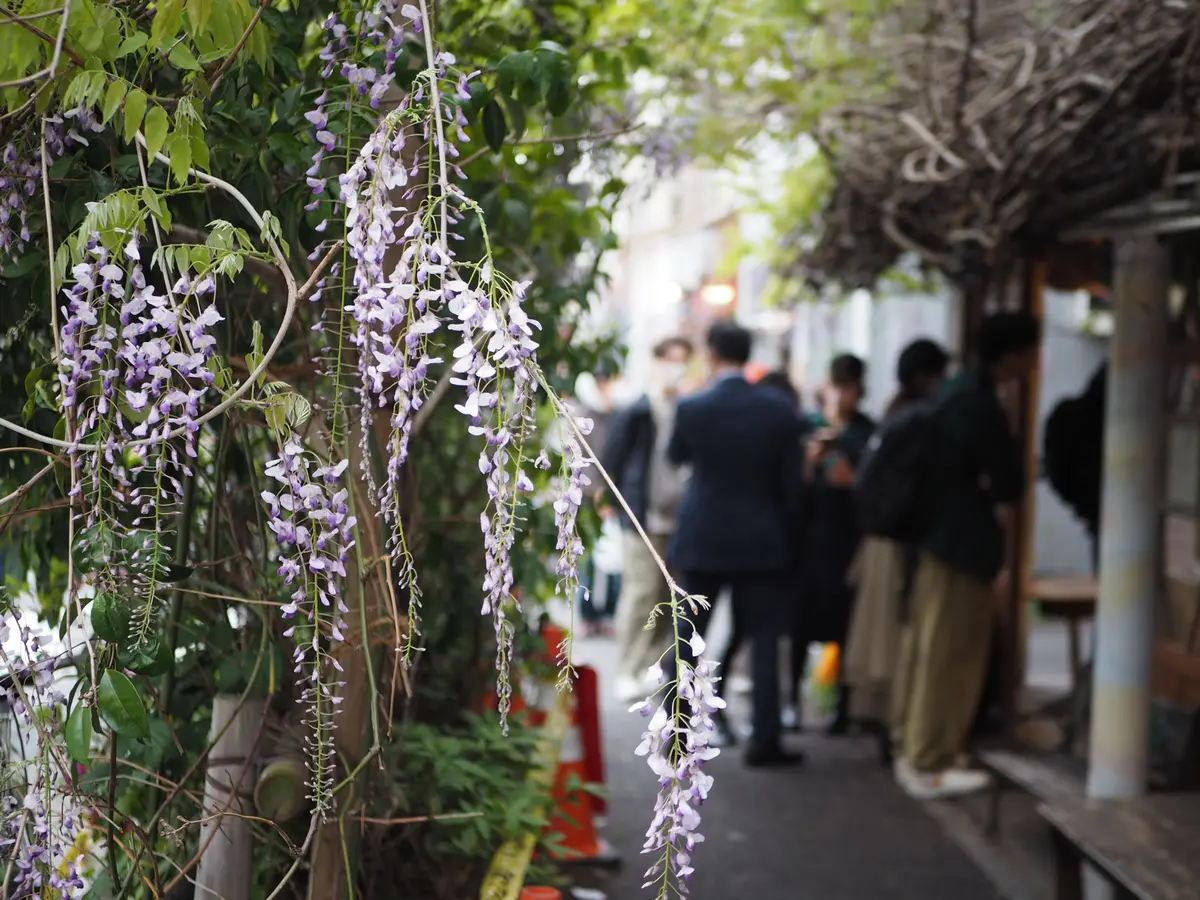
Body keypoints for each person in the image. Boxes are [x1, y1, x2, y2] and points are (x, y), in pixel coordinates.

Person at [894, 311, 1041, 800]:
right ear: (1016, 355)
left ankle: (916, 747)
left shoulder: (956, 393)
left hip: (938, 540)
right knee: (950, 653)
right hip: (961, 545)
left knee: (929, 647)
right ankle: (929, 759)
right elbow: (1009, 482)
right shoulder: (977, 404)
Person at [668, 322, 806, 767]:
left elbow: (677, 456)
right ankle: (765, 740)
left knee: (690, 634)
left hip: (705, 532)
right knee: (764, 639)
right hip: (762, 536)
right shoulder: (779, 408)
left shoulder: (693, 407)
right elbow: (792, 485)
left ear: (711, 353)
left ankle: (678, 729)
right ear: (749, 356)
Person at [842, 339, 950, 765]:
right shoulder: (922, 419)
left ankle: (887, 724)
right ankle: (898, 727)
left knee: (881, 637)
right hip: (902, 545)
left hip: (880, 542)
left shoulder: (893, 415)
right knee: (897, 636)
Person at [600, 336, 696, 701]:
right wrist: (612, 500)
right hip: (642, 514)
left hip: (680, 517)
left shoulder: (688, 408)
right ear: (656, 361)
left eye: (682, 359)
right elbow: (613, 458)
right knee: (640, 592)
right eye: (670, 359)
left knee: (669, 596)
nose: (676, 367)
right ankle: (627, 668)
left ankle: (653, 667)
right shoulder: (638, 409)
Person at [788, 354, 875, 734]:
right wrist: (808, 466)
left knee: (845, 625)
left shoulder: (866, 432)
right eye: (837, 386)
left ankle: (842, 705)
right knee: (799, 624)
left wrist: (853, 482)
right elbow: (791, 487)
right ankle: (791, 703)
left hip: (847, 540)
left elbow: (873, 487)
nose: (842, 396)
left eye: (850, 388)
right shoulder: (808, 427)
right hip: (809, 539)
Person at [717, 369, 804, 701]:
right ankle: (764, 730)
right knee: (761, 634)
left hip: (728, 538)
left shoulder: (739, 424)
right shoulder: (783, 427)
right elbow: (792, 494)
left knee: (737, 631)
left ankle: (701, 712)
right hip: (767, 544)